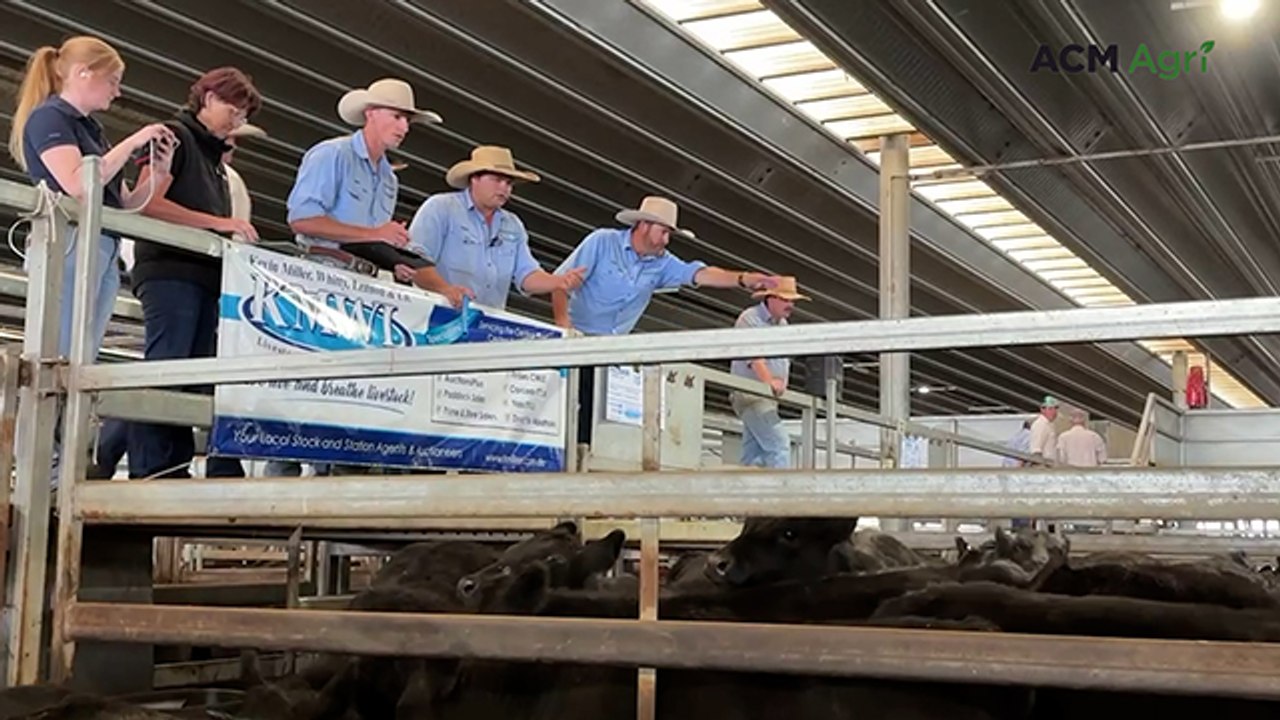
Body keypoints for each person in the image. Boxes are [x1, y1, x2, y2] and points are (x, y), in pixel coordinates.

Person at [8, 36, 177, 484]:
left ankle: (61, 468)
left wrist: (156, 171)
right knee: (55, 357)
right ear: (84, 73)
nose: (116, 92)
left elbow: (120, 201)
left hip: (100, 246)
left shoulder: (91, 131)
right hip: (68, 243)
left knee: (79, 360)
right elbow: (79, 184)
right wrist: (134, 139)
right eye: (113, 81)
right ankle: (38, 471)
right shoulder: (50, 119)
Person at [551, 195, 781, 444]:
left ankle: (583, 462)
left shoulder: (663, 263)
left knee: (594, 422)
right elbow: (560, 283)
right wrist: (565, 328)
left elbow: (699, 274)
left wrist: (742, 279)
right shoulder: (602, 242)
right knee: (565, 412)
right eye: (663, 232)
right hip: (577, 343)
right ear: (643, 225)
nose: (666, 240)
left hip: (612, 353)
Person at [126, 66, 262, 480]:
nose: (236, 122)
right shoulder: (173, 136)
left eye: (242, 116)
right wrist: (218, 223)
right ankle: (150, 464)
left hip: (202, 275)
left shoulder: (212, 157)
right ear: (207, 99)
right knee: (168, 365)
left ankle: (175, 462)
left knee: (191, 371)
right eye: (233, 111)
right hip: (170, 270)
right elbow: (146, 201)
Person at [287, 78, 442, 285]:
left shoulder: (389, 179)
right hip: (320, 276)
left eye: (407, 120)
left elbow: (368, 241)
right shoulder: (332, 154)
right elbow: (301, 220)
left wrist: (392, 260)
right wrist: (377, 233)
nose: (404, 128)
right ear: (370, 113)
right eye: (396, 116)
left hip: (364, 282)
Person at [407, 145, 583, 308]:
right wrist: (445, 289)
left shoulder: (513, 224)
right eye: (497, 180)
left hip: (486, 324)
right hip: (435, 315)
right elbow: (414, 260)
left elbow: (526, 275)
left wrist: (558, 281)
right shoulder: (441, 207)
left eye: (509, 183)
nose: (504, 188)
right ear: (474, 178)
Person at [728, 277, 808, 468]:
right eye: (785, 300)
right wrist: (771, 381)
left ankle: (745, 494)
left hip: (767, 398)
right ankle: (781, 493)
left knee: (754, 455)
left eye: (792, 301)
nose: (790, 305)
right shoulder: (750, 318)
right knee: (779, 445)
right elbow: (755, 359)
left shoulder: (782, 325)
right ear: (770, 298)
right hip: (752, 396)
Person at [1028, 395, 1059, 463]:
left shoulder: (1050, 425)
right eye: (1050, 409)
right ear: (1042, 409)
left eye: (1055, 409)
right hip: (1045, 465)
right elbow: (1036, 450)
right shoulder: (1040, 425)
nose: (1054, 412)